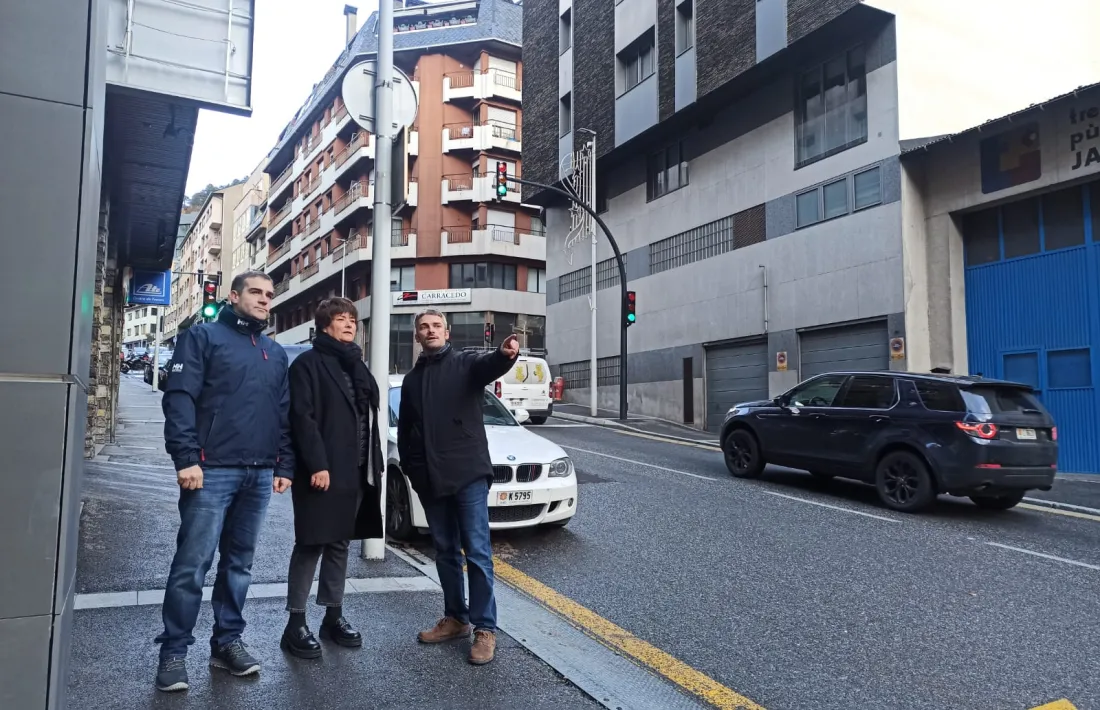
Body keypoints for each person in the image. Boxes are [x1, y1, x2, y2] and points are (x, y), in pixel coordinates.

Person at [155, 271, 294, 692]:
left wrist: (284, 465)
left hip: (258, 474)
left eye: (270, 295)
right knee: (192, 566)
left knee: (239, 565)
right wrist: (185, 458)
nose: (265, 300)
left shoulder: (274, 351)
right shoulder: (202, 337)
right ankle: (173, 653)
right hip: (209, 470)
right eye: (256, 292)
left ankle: (227, 643)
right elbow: (179, 397)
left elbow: (282, 414)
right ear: (233, 296)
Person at [398, 309, 519, 665]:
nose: (430, 330)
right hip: (431, 480)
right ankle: (456, 618)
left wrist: (505, 354)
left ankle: (485, 628)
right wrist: (414, 472)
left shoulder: (465, 364)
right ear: (417, 336)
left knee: (477, 553)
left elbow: (489, 365)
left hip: (467, 473)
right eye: (424, 327)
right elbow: (406, 433)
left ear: (447, 333)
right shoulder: (411, 381)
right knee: (446, 551)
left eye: (436, 326)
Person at [282, 297, 384, 659]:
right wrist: (317, 464)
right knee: (311, 543)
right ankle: (295, 623)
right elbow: (302, 418)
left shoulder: (356, 364)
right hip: (322, 471)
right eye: (341, 319)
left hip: (356, 469)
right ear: (325, 325)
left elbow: (367, 412)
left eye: (353, 320)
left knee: (340, 543)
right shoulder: (308, 364)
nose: (349, 325)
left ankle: (333, 615)